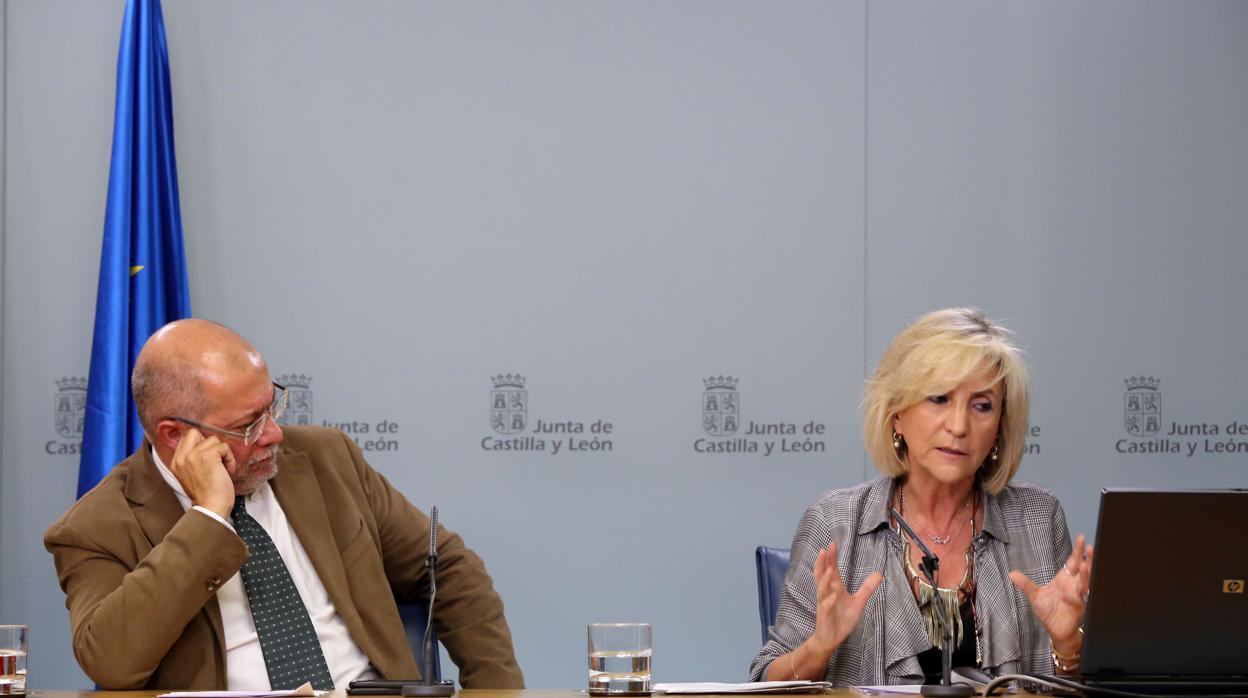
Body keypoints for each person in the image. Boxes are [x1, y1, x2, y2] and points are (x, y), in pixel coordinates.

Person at [45, 319, 525, 690]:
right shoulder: (96, 526)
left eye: (271, 406)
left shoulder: (326, 459)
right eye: (249, 424)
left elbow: (448, 568)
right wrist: (209, 517)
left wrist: (497, 694)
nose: (274, 433)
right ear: (176, 435)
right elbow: (111, 661)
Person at [749, 308, 1092, 685]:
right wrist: (820, 646)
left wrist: (1067, 644)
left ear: (999, 429)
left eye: (982, 406)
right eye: (939, 398)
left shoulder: (1037, 519)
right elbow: (765, 681)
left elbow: (1086, 683)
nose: (959, 426)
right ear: (897, 413)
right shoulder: (835, 521)